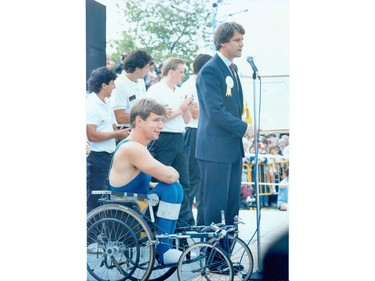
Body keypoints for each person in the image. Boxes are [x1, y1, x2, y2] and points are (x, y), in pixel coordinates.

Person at [108, 98, 183, 264]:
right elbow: (169, 175)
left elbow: (132, 181)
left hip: (136, 203)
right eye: (156, 120)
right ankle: (163, 251)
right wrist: (174, 172)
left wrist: (152, 183)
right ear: (139, 121)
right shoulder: (132, 148)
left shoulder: (138, 147)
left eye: (162, 120)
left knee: (174, 188)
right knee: (171, 187)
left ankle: (166, 246)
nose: (161, 126)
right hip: (129, 209)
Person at [195, 22, 254, 226]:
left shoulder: (232, 68)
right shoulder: (210, 71)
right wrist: (245, 128)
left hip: (231, 148)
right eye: (237, 40)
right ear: (222, 42)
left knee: (230, 205)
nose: (241, 44)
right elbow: (215, 112)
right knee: (214, 204)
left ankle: (225, 253)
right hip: (214, 149)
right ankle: (212, 254)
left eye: (242, 40)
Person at [146, 57, 195, 228]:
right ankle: (154, 224)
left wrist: (186, 108)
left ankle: (184, 224)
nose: (183, 74)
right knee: (159, 180)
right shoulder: (155, 90)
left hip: (178, 138)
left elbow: (187, 119)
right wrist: (180, 110)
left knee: (184, 182)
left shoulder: (180, 91)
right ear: (171, 71)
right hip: (162, 138)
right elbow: (155, 117)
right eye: (181, 71)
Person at [86, 66, 130, 213]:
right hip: (96, 158)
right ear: (104, 85)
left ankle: (100, 233)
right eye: (112, 83)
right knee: (94, 199)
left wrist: (122, 133)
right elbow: (92, 135)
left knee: (105, 198)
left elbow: (112, 127)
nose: (114, 86)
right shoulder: (91, 105)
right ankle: (92, 235)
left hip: (108, 157)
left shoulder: (106, 103)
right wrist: (117, 134)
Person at [180, 53, 212, 225]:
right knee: (193, 180)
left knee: (203, 182)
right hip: (192, 132)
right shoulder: (190, 86)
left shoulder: (201, 83)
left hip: (203, 133)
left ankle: (201, 222)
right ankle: (187, 221)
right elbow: (195, 112)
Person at [111, 49, 152, 129]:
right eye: (146, 67)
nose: (148, 70)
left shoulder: (141, 81)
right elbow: (119, 117)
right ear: (137, 69)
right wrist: (148, 116)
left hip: (139, 128)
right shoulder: (119, 84)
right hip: (125, 131)